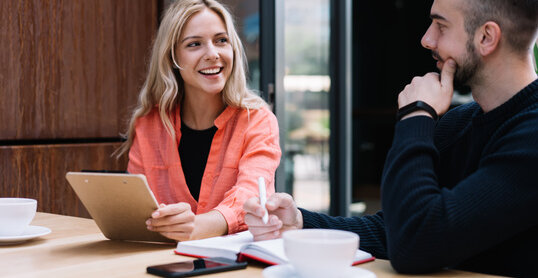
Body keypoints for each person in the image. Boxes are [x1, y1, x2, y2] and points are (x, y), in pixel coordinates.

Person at [243, 0, 538, 276]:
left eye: (441, 26)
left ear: (487, 37)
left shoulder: (530, 137)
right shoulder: (461, 123)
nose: (427, 39)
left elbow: (415, 244)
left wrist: (415, 116)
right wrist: (300, 223)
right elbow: (395, 229)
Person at [116, 0, 281, 242]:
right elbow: (135, 209)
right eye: (194, 44)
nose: (213, 54)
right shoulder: (149, 124)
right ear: (172, 57)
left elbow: (251, 198)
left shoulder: (258, 121)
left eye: (221, 40)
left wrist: (194, 226)